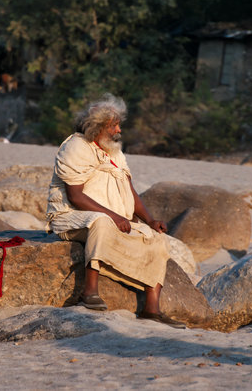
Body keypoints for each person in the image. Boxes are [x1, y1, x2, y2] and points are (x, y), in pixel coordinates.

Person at [46, 94, 185, 328]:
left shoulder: (115, 152)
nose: (119, 129)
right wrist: (114, 216)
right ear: (98, 126)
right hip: (71, 218)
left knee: (156, 239)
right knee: (102, 222)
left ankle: (151, 308)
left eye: (119, 124)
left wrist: (150, 220)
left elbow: (129, 189)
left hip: (112, 219)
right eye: (114, 125)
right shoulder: (76, 146)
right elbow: (75, 196)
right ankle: (90, 291)